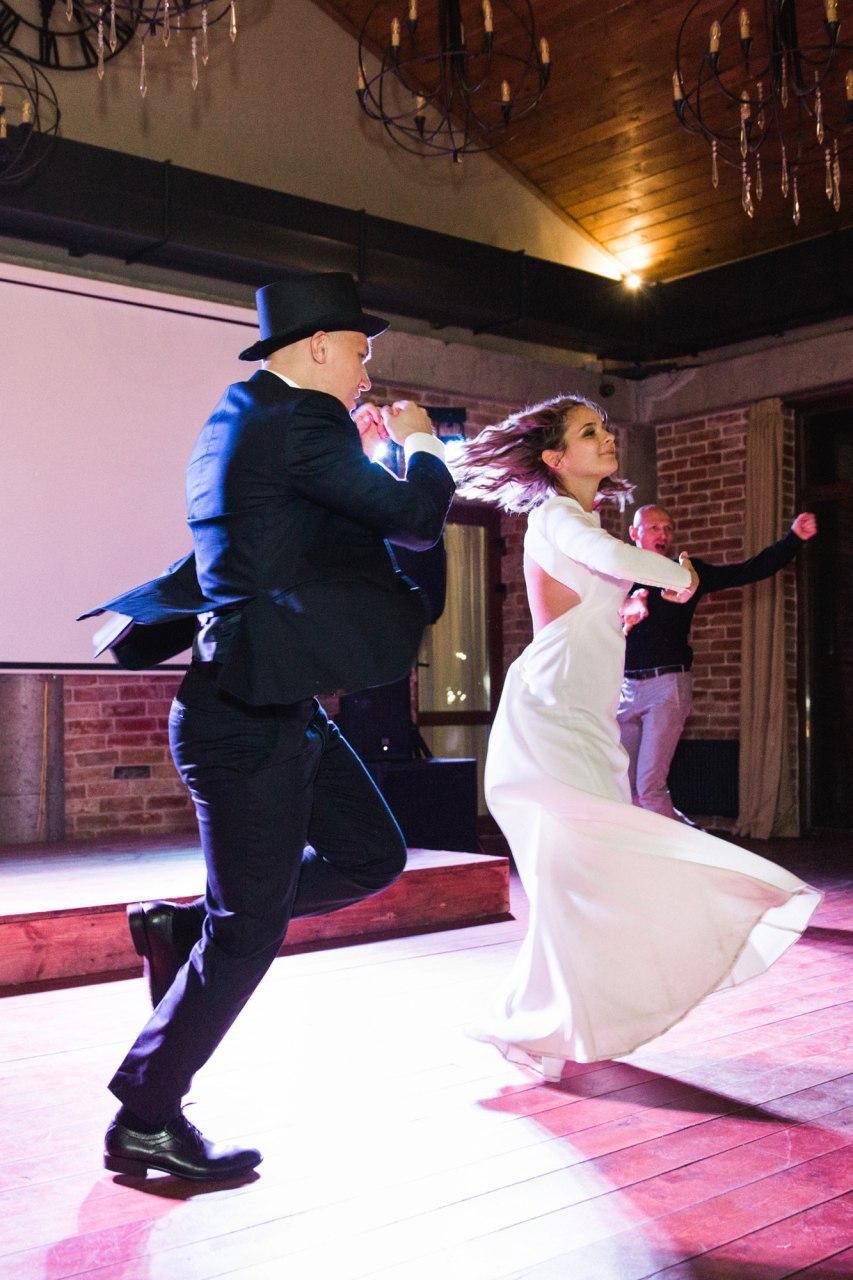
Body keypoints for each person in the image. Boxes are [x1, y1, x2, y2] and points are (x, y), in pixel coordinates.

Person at [81, 272, 455, 1180]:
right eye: (359, 352)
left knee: (370, 855)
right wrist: (419, 442)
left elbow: (312, 537)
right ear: (319, 346)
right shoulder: (298, 422)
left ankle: (184, 934)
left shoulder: (244, 416)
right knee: (249, 930)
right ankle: (146, 1115)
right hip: (241, 719)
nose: (366, 373)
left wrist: (369, 461)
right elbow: (415, 518)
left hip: (272, 704)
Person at [455, 395, 820, 1079]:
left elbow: (584, 599)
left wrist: (615, 617)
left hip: (585, 712)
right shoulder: (558, 516)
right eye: (588, 432)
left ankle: (552, 1019)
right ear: (555, 457)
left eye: (604, 428)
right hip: (553, 711)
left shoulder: (579, 520)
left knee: (581, 868)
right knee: (588, 855)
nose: (607, 438)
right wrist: (678, 574)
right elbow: (606, 555)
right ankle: (557, 1014)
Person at [617, 504, 817, 821]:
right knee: (624, 787)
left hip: (667, 686)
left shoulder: (686, 575)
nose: (663, 534)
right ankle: (666, 842)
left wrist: (793, 539)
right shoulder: (618, 578)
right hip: (625, 689)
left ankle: (682, 851)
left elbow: (746, 571)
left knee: (649, 786)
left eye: (668, 528)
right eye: (655, 527)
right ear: (634, 533)